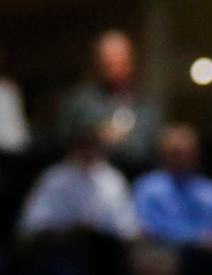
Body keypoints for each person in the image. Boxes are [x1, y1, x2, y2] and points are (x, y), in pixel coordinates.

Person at [131, 126, 212, 255]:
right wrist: (197, 240)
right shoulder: (148, 187)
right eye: (175, 153)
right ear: (162, 155)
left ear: (197, 154)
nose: (182, 158)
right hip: (164, 256)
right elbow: (146, 230)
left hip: (209, 262)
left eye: (187, 152)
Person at [56, 30, 158, 171]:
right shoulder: (80, 101)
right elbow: (63, 140)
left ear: (131, 63)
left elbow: (148, 148)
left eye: (121, 63)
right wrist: (95, 135)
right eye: (108, 64)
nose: (116, 70)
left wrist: (116, 140)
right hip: (89, 181)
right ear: (97, 64)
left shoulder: (146, 105)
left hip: (134, 178)